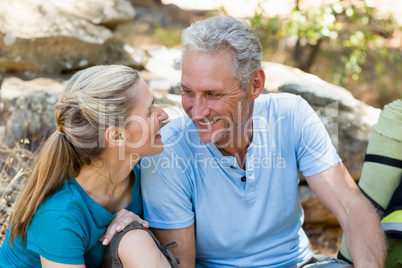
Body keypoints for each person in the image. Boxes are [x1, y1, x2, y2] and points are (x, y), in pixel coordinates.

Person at [140, 16, 386, 267]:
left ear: (255, 84)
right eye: (188, 92)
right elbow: (182, 264)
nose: (198, 111)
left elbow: (351, 205)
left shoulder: (292, 114)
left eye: (213, 94)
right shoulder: (168, 152)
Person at [0, 65, 174, 267]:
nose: (164, 115)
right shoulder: (59, 215)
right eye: (150, 111)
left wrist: (135, 228)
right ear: (117, 136)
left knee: (136, 241)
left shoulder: (142, 174)